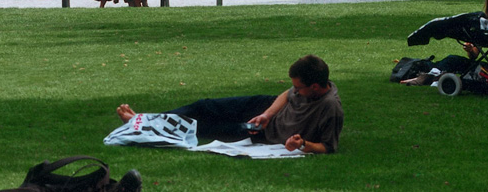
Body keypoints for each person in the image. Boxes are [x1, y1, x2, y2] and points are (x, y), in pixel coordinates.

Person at [115, 55, 342, 154]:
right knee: (205, 106)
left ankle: (144, 125)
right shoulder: (307, 85)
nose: (296, 91)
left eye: (300, 88)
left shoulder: (329, 108)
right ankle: (145, 119)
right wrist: (268, 114)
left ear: (314, 87)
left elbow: (328, 147)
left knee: (203, 127)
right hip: (265, 110)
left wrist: (302, 144)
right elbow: (287, 93)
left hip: (264, 135)